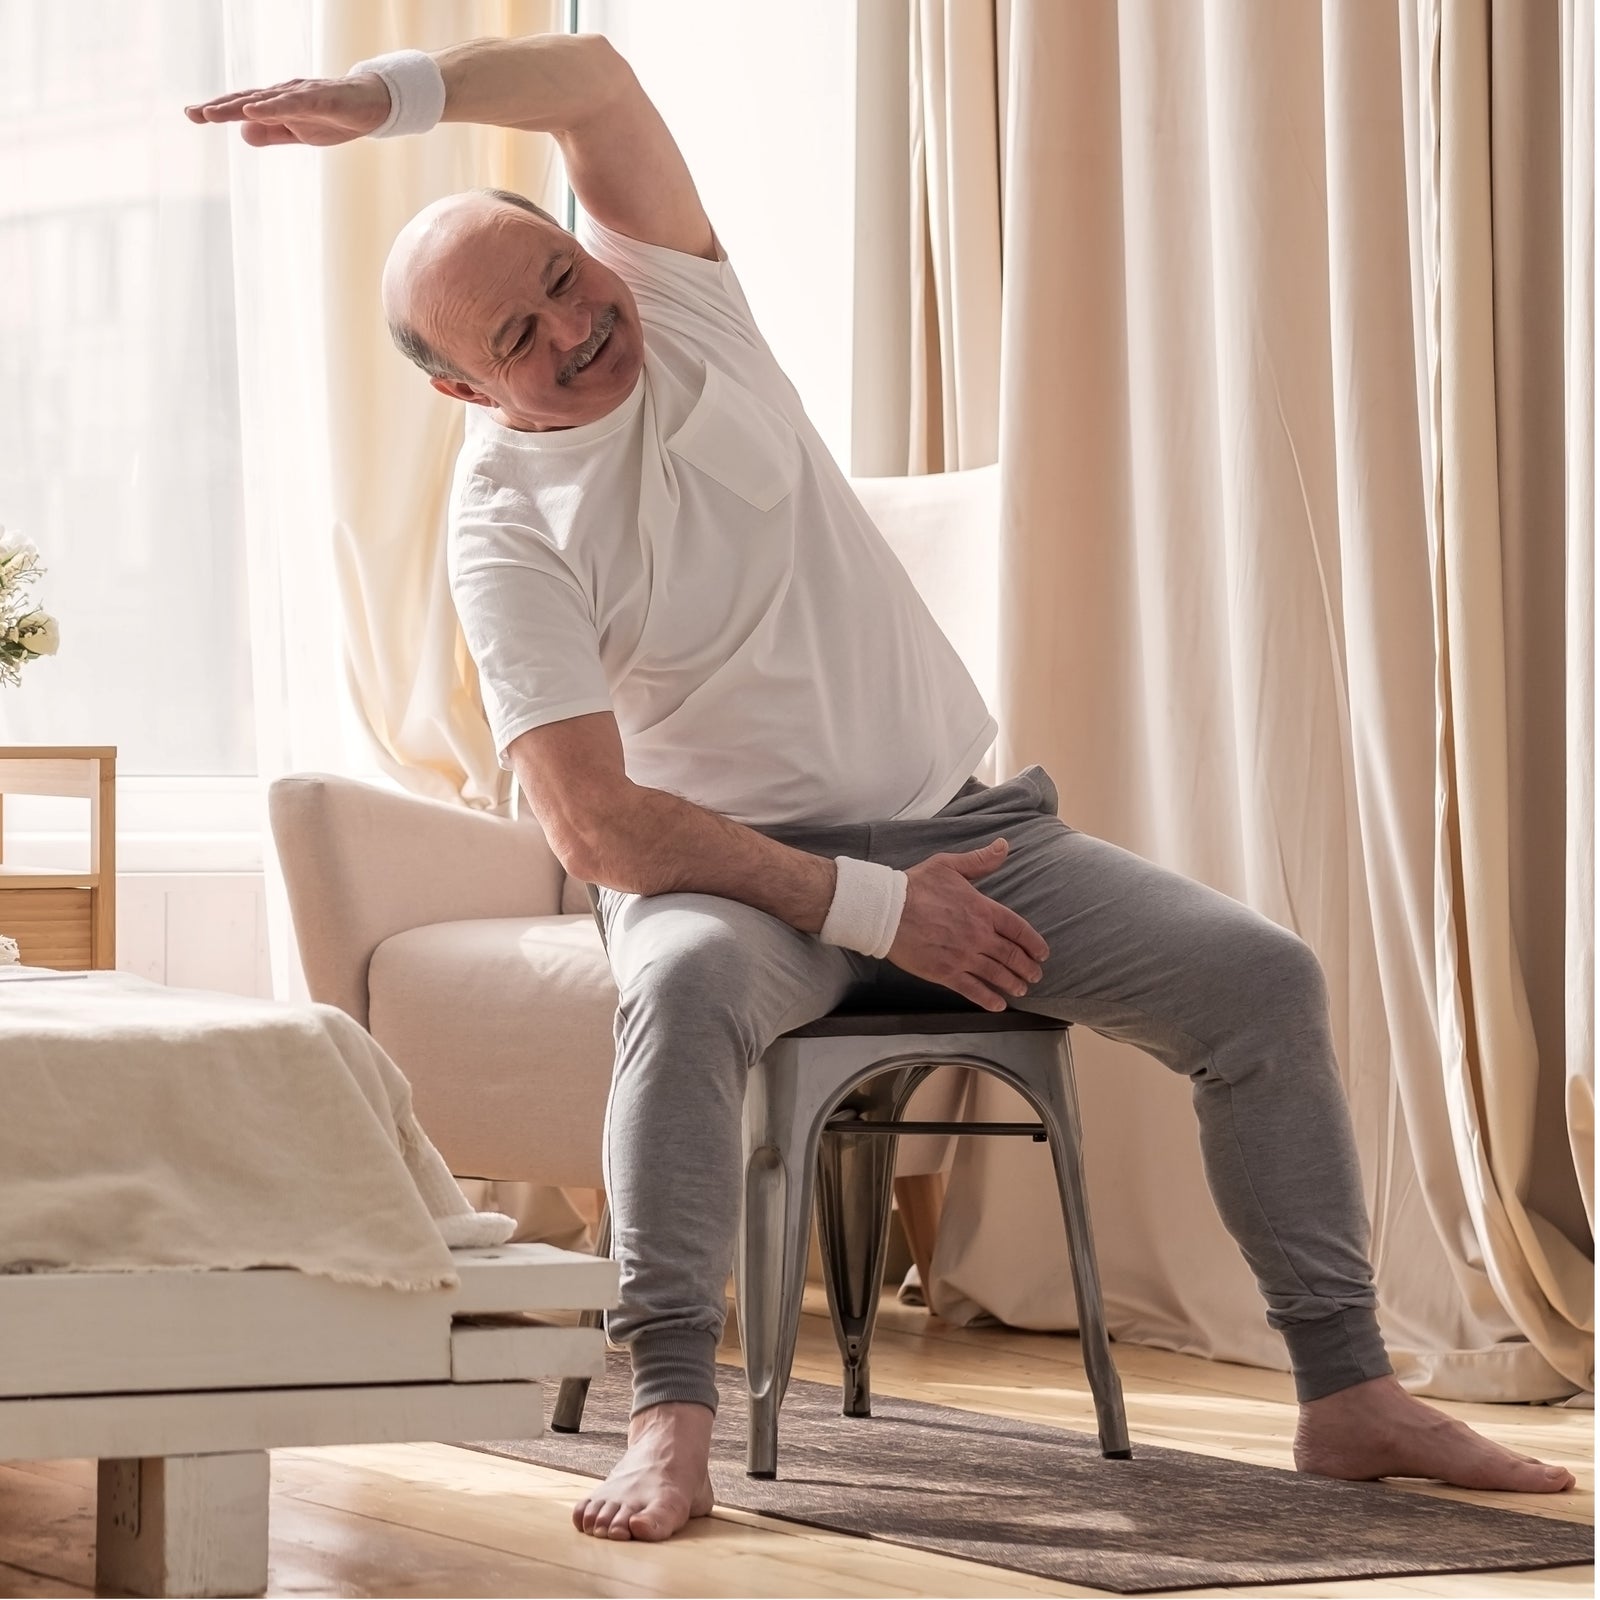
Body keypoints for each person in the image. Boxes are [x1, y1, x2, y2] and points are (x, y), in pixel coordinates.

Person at [188, 30, 1576, 1545]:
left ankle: (1347, 1392)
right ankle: (669, 1409)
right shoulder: (504, 529)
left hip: (967, 836)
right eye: (520, 339)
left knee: (1259, 980)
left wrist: (379, 101)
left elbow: (591, 73)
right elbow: (594, 829)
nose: (577, 332)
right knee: (689, 993)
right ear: (464, 387)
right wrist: (868, 908)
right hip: (726, 878)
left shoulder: (680, 304)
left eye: (568, 283)